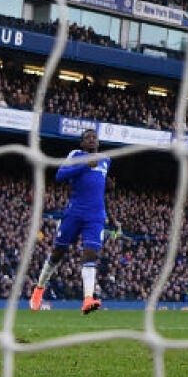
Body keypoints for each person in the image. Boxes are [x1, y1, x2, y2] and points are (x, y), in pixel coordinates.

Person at [30, 129, 110, 315]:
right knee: (58, 253)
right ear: (82, 143)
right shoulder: (76, 155)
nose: (92, 140)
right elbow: (60, 175)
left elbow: (96, 182)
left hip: (96, 215)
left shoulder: (106, 159)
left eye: (94, 138)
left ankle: (88, 298)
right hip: (74, 212)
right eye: (87, 138)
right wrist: (84, 166)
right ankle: (39, 289)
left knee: (91, 253)